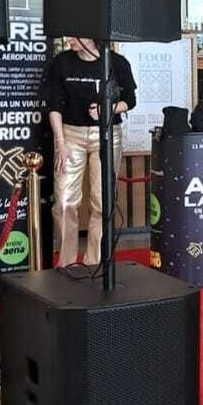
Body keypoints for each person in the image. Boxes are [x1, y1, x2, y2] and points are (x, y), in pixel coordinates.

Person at [42, 38, 138, 267]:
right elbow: (53, 106)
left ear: (93, 39)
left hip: (106, 133)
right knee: (64, 201)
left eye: (78, 37)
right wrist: (60, 143)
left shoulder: (116, 63)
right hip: (70, 134)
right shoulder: (61, 63)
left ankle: (96, 260)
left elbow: (130, 100)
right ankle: (66, 262)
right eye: (70, 36)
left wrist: (109, 108)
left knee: (101, 200)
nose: (71, 41)